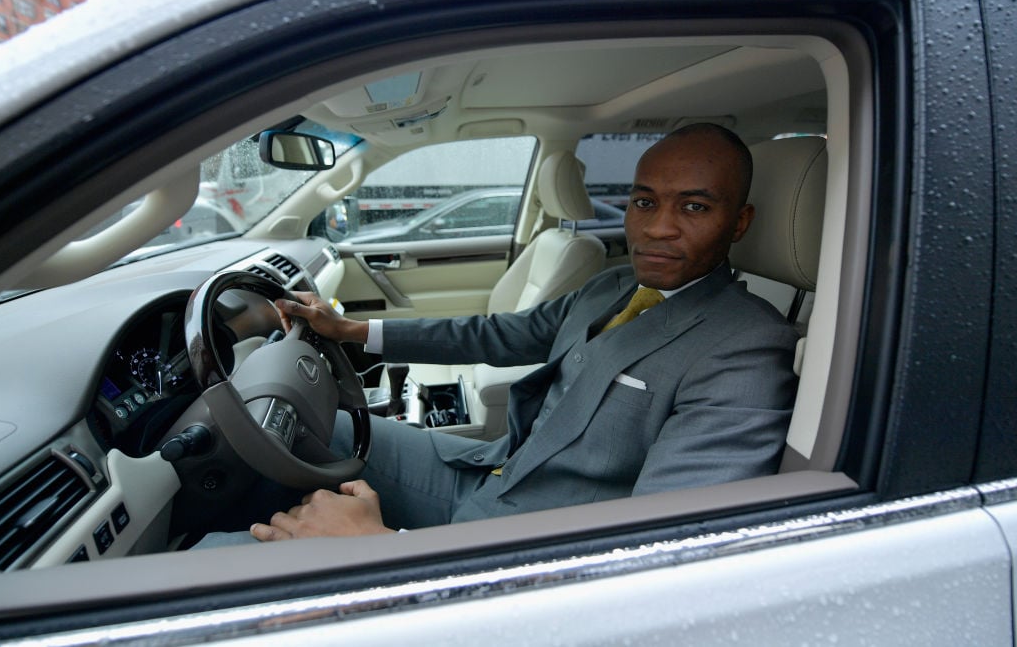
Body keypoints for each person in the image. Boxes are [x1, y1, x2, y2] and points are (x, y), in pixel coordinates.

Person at [250, 123, 800, 541]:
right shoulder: (611, 287)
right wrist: (350, 329)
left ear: (741, 223)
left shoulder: (747, 347)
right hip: (490, 474)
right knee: (302, 427)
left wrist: (379, 549)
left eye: (695, 207)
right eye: (644, 201)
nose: (657, 227)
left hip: (530, 537)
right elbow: (495, 335)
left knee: (213, 554)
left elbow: (660, 556)